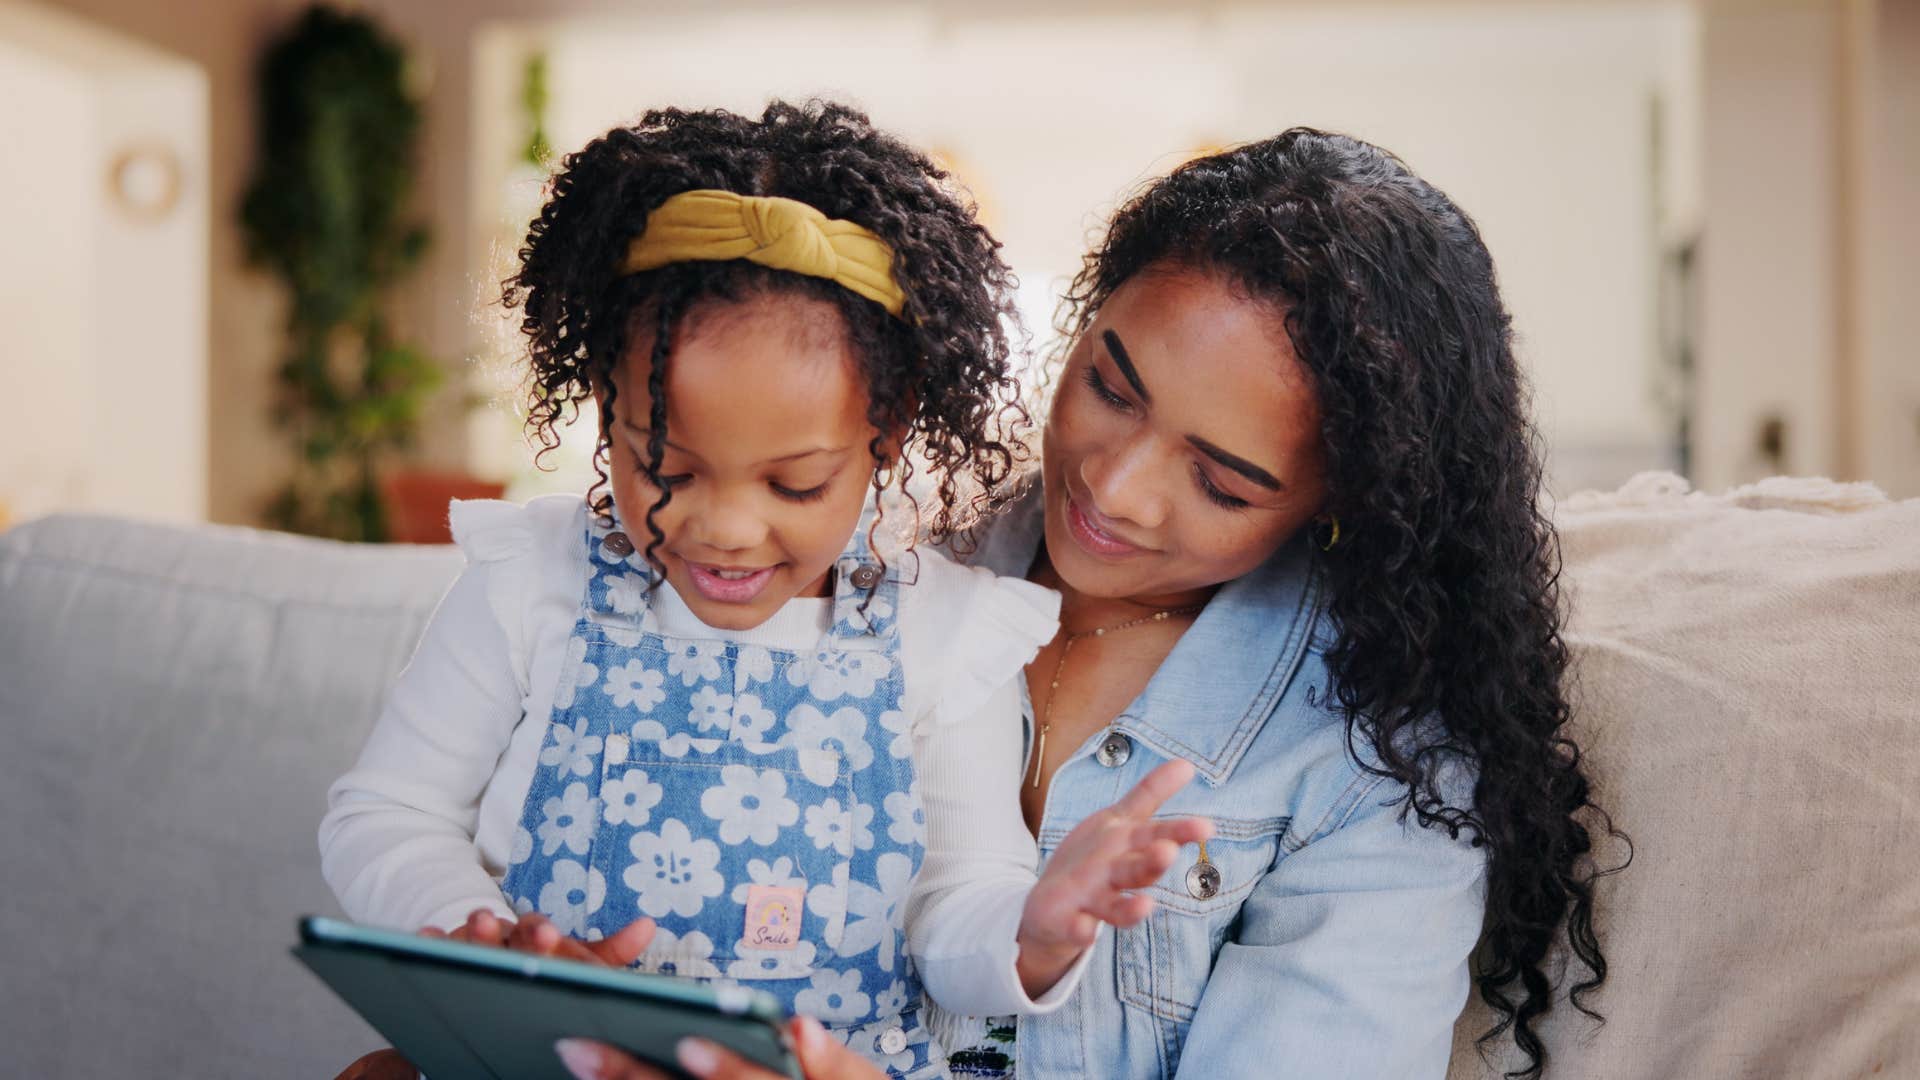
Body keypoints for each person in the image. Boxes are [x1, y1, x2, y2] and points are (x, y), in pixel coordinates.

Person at [555, 126, 1616, 1080]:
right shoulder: (864, 558)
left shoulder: (1369, 775)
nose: (1113, 489)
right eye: (1110, 387)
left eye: (1223, 483)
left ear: (1344, 500)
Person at [319, 100, 1211, 1079]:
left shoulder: (947, 634)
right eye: (666, 467)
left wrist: (1032, 931)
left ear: (887, 432)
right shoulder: (530, 580)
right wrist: (480, 940)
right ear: (606, 408)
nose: (727, 529)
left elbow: (956, 905)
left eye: (795, 485)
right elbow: (386, 815)